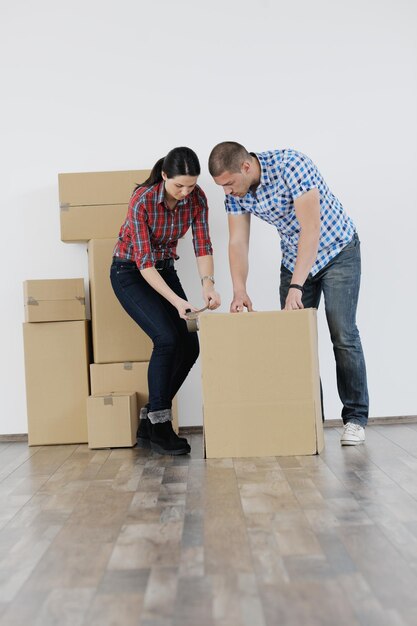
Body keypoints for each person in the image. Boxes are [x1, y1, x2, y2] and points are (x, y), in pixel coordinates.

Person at [208, 142, 368, 446]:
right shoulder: (235, 192)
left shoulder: (291, 166)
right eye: (221, 187)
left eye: (229, 184)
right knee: (295, 341)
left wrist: (296, 286)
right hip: (294, 259)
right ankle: (309, 421)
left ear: (246, 167)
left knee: (342, 333)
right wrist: (239, 289)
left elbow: (311, 229)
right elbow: (237, 242)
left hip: (337, 251)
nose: (227, 192)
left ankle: (355, 419)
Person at [111, 147, 221, 455]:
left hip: (164, 268)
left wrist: (208, 286)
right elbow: (144, 263)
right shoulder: (143, 200)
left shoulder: (197, 198)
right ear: (163, 176)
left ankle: (150, 420)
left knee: (190, 345)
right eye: (178, 186)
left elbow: (203, 244)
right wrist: (177, 302)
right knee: (167, 339)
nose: (186, 192)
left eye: (191, 185)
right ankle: (160, 426)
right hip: (130, 272)